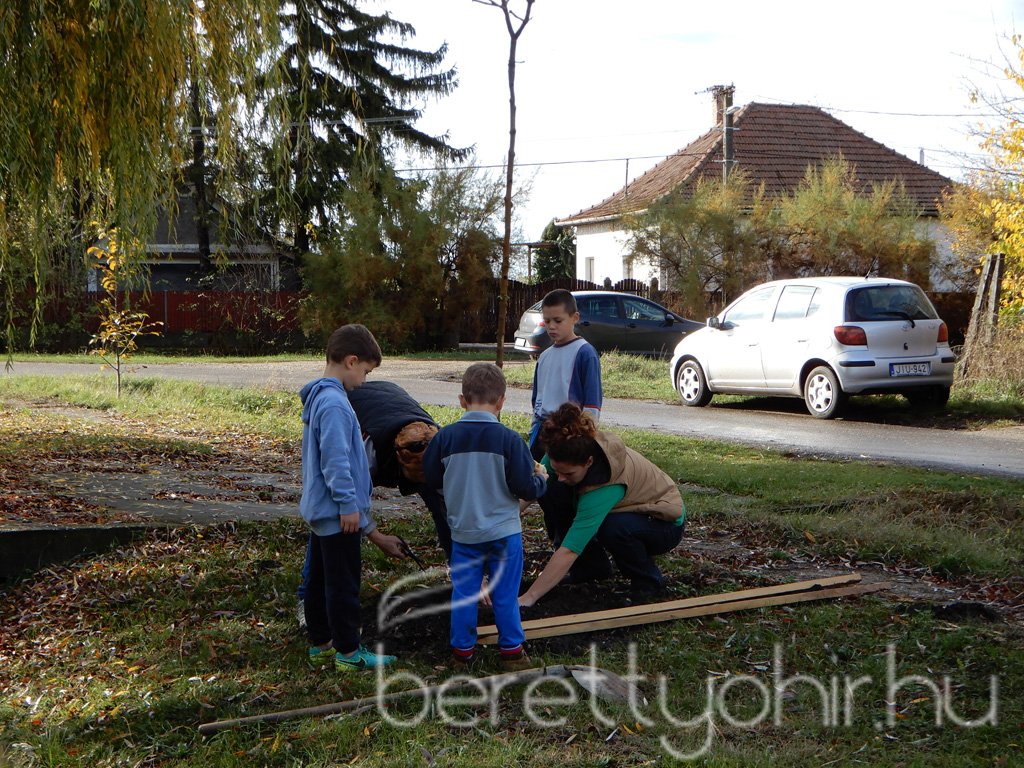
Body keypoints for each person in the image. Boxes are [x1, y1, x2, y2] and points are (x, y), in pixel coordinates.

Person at [422, 362, 547, 668]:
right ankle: (512, 653)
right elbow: (525, 488)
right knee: (505, 594)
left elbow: (430, 477)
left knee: (465, 595)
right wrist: (542, 478)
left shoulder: (444, 438)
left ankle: (462, 654)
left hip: (464, 533)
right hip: (504, 533)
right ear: (502, 401)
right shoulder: (510, 440)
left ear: (462, 399)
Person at [299, 324, 406, 672]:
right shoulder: (333, 403)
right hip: (337, 511)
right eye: (365, 372)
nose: (364, 380)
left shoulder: (320, 396)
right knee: (344, 583)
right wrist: (349, 506)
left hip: (322, 511)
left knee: (318, 578)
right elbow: (336, 461)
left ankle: (321, 643)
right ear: (350, 360)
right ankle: (348, 652)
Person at [518, 402, 685, 608]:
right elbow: (533, 489)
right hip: (624, 511)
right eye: (556, 470)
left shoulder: (605, 485)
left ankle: (647, 580)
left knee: (613, 528)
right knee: (550, 490)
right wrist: (507, 515)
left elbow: (571, 549)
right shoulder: (564, 449)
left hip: (664, 524)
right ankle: (591, 568)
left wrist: (530, 596)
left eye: (568, 474)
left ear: (588, 462)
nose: (560, 477)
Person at [528, 289, 603, 458]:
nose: (551, 326)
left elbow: (592, 403)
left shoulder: (585, 353)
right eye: (547, 321)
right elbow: (537, 400)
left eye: (558, 320)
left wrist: (584, 440)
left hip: (570, 435)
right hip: (542, 434)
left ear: (574, 318)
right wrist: (533, 432)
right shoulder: (544, 356)